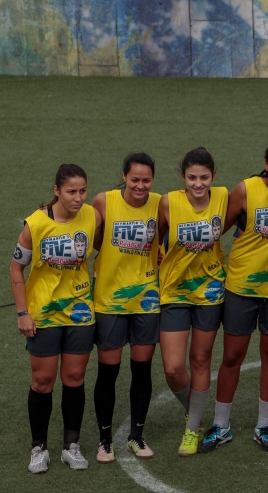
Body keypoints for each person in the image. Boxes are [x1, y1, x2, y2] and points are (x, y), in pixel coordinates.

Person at [200, 140, 268, 453]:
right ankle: (221, 426)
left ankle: (264, 426)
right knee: (232, 356)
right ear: (266, 164)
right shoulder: (245, 190)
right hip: (242, 287)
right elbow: (221, 227)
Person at [11, 164, 98, 473]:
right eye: (71, 191)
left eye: (82, 191)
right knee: (42, 381)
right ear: (57, 191)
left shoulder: (92, 216)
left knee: (74, 379)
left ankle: (70, 447)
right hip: (43, 315)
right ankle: (39, 448)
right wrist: (23, 313)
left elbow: (104, 247)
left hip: (80, 313)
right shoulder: (35, 224)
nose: (78, 198)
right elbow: (15, 268)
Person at [157, 147, 228, 457]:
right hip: (173, 292)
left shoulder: (224, 197)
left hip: (211, 293)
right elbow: (155, 238)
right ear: (182, 177)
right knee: (173, 368)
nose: (198, 185)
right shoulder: (168, 202)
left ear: (213, 176)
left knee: (200, 360)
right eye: (192, 178)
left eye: (204, 178)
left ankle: (192, 427)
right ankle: (194, 411)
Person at [91, 153, 161, 462]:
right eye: (135, 180)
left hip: (146, 299)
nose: (140, 186)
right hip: (109, 300)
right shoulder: (104, 202)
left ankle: (136, 435)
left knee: (142, 368)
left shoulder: (161, 203)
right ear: (124, 176)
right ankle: (105, 440)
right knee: (108, 371)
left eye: (146, 180)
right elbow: (93, 239)